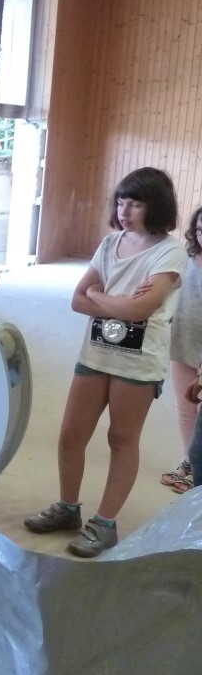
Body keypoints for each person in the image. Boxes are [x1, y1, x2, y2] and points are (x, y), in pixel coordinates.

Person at [24, 166, 185, 558]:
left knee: (121, 440)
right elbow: (77, 299)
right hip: (95, 353)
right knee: (71, 434)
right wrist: (117, 302)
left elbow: (138, 310)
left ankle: (105, 523)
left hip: (138, 362)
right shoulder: (111, 242)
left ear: (156, 206)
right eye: (121, 202)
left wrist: (101, 296)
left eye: (136, 204)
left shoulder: (170, 252)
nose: (124, 211)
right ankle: (68, 507)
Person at [160, 205, 202, 492]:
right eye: (198, 230)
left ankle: (198, 467)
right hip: (184, 340)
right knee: (187, 408)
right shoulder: (185, 260)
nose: (201, 236)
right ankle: (189, 461)